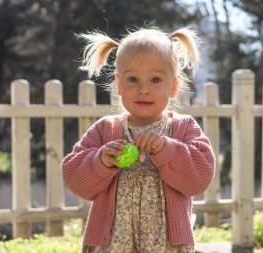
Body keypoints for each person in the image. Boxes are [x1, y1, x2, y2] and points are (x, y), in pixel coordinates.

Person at [61, 24, 215, 253]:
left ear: (173, 86)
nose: (144, 89)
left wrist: (168, 149)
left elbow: (200, 177)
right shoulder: (106, 129)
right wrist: (100, 160)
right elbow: (74, 176)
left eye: (155, 80)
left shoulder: (183, 128)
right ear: (118, 84)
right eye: (133, 79)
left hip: (165, 245)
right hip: (113, 243)